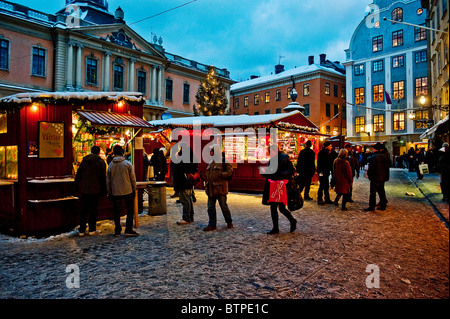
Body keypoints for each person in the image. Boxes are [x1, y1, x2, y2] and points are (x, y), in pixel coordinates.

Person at [262, 144, 297, 234]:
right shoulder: (272, 160)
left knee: (281, 207)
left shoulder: (284, 158)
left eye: (270, 152)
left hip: (281, 185)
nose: (269, 153)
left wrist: (279, 175)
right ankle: (275, 228)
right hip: (273, 185)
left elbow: (291, 170)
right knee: (273, 207)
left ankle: (292, 220)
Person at [74, 145, 107, 236]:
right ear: (99, 152)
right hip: (96, 190)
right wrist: (104, 190)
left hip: (84, 189)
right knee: (93, 210)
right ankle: (92, 229)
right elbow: (102, 178)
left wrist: (76, 187)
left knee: (83, 210)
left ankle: (82, 230)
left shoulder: (84, 161)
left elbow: (79, 175)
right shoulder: (101, 162)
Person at [106, 145, 138, 237]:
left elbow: (108, 180)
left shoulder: (111, 165)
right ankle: (128, 229)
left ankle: (117, 230)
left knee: (116, 211)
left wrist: (109, 191)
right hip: (127, 190)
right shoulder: (127, 164)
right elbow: (132, 178)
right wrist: (134, 188)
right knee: (129, 210)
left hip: (115, 191)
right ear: (122, 152)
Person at [203, 145, 233, 231]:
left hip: (220, 188)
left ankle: (229, 221)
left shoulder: (223, 161)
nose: (210, 153)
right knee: (210, 207)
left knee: (223, 206)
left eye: (211, 151)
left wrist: (221, 175)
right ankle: (212, 224)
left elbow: (230, 171)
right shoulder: (211, 161)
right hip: (211, 189)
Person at [172, 143, 198, 225]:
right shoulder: (191, 158)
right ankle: (190, 217)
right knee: (188, 199)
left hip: (183, 182)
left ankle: (186, 218)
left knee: (185, 200)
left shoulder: (184, 159)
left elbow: (180, 169)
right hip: (188, 182)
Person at [364, 142, 390, 211]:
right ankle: (383, 205)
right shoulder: (385, 156)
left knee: (373, 192)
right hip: (382, 177)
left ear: (375, 149)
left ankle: (371, 206)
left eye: (373, 149)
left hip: (375, 177)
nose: (372, 150)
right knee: (381, 191)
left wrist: (369, 175)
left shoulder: (374, 157)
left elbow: (371, 168)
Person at [317, 141, 333, 205]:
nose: (331, 147)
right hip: (323, 171)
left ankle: (327, 199)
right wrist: (321, 171)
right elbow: (322, 163)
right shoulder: (322, 153)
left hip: (325, 171)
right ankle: (320, 199)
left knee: (326, 185)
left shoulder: (326, 152)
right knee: (322, 185)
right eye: (330, 146)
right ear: (327, 146)